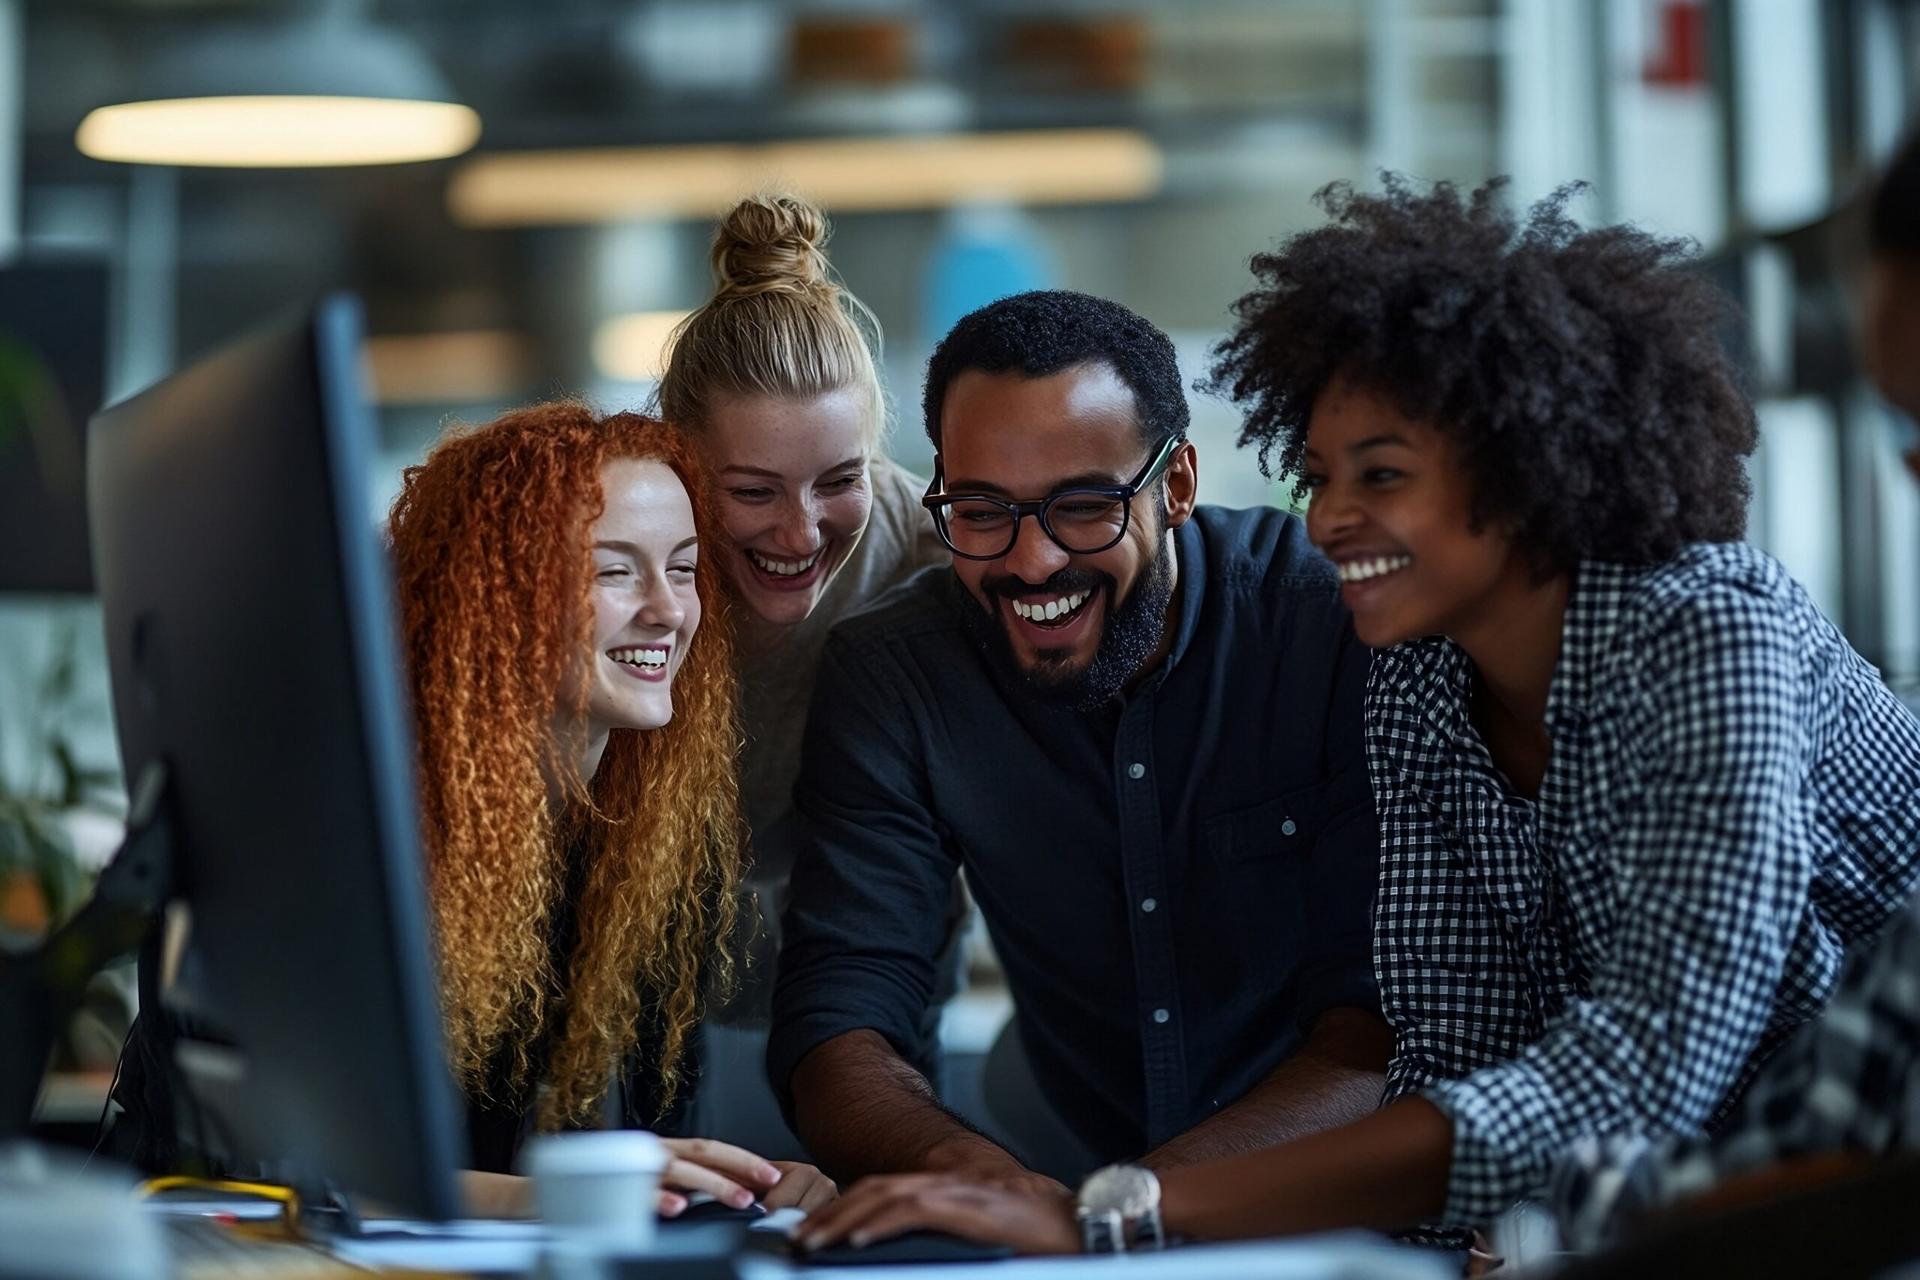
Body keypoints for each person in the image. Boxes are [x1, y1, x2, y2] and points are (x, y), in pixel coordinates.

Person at [792, 179, 1920, 1257]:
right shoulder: (1418, 682)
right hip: (1726, 1200)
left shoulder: (1714, 629)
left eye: (1379, 476)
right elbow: (1447, 1056)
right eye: (1321, 475)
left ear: (1524, 460)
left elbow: (1646, 1055)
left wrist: (1114, 1219)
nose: (1330, 520)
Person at [111, 404, 837, 1218]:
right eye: (613, 570)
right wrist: (533, 1200)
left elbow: (644, 1153)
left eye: (683, 567)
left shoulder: (661, 848)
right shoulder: (317, 832)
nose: (669, 610)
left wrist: (741, 1189)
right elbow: (263, 1173)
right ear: (496, 597)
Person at [770, 289, 1387, 1201]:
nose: (1031, 562)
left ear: (1176, 485)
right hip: (1064, 1192)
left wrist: (1113, 1220)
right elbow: (842, 1015)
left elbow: (1389, 1025)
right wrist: (991, 1194)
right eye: (982, 511)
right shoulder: (898, 675)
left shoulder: (1332, 628)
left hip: (1338, 1215)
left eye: (1085, 506)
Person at [1544, 120, 1920, 1258]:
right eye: (1904, 421)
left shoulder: (1720, 633)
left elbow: (1671, 1060)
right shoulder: (1423, 691)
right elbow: (1841, 1122)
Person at [655, 194, 951, 1152]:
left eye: (839, 480)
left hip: (870, 942)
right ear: (677, 458)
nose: (799, 533)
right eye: (750, 492)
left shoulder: (931, 554)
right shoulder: (614, 534)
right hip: (633, 939)